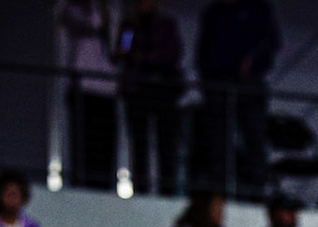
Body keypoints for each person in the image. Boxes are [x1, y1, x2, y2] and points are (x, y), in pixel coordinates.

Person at [194, 0, 280, 192]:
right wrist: (207, 77)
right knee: (219, 140)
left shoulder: (258, 10)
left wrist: (254, 61)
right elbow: (204, 49)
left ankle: (255, 189)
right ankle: (219, 189)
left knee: (254, 137)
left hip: (250, 84)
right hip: (218, 82)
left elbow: (272, 42)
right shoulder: (215, 12)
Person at [116, 0, 184, 196]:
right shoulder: (130, 25)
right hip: (137, 90)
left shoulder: (166, 24)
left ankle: (168, 189)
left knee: (166, 143)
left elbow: (171, 54)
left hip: (163, 89)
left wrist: (145, 58)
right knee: (139, 143)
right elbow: (124, 50)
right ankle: (141, 188)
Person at [60, 0, 118, 187]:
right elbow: (92, 24)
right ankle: (81, 181)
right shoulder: (73, 10)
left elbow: (124, 45)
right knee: (84, 142)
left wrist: (127, 33)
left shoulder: (114, 14)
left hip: (107, 88)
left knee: (105, 143)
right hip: (83, 85)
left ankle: (105, 183)